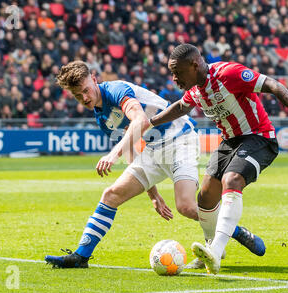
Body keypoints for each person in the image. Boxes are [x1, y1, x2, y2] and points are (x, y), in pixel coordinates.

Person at [45, 61, 263, 269]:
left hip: (180, 140)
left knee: (185, 206)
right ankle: (81, 256)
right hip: (152, 151)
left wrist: (113, 154)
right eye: (77, 95)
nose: (84, 97)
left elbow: (139, 121)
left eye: (85, 90)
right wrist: (153, 194)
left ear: (94, 79)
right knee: (111, 195)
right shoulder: (102, 117)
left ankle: (232, 230)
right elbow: (131, 150)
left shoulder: (115, 90)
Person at [149, 44, 288, 274]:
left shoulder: (228, 74)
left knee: (232, 180)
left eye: (177, 72)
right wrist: (149, 123)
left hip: (259, 138)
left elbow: (274, 85)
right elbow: (180, 107)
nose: (174, 78)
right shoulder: (196, 90)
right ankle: (211, 247)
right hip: (230, 141)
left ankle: (216, 252)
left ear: (194, 64)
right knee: (206, 198)